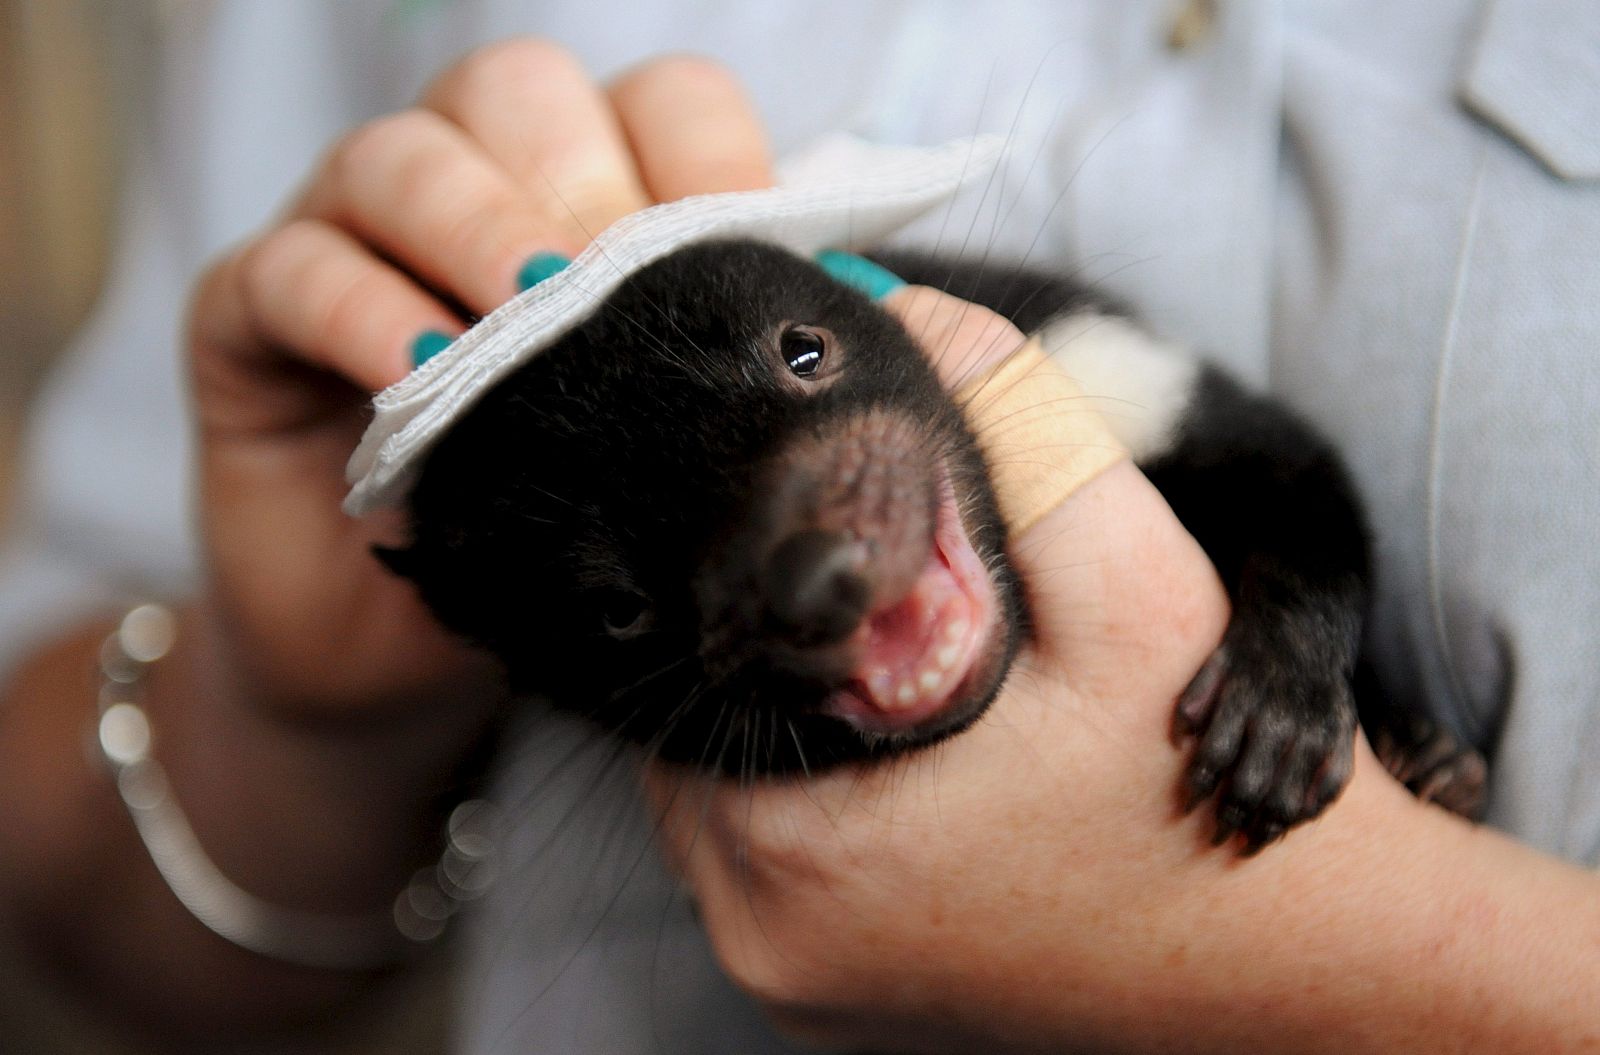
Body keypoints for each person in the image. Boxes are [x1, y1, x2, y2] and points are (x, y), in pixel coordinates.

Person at [1, 2, 1597, 1052]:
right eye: (630, 609)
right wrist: (297, 723)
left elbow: (1273, 490)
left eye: (806, 364)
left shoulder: (1036, 345)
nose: (822, 567)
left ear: (872, 302)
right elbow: (78, 917)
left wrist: (1356, 943)